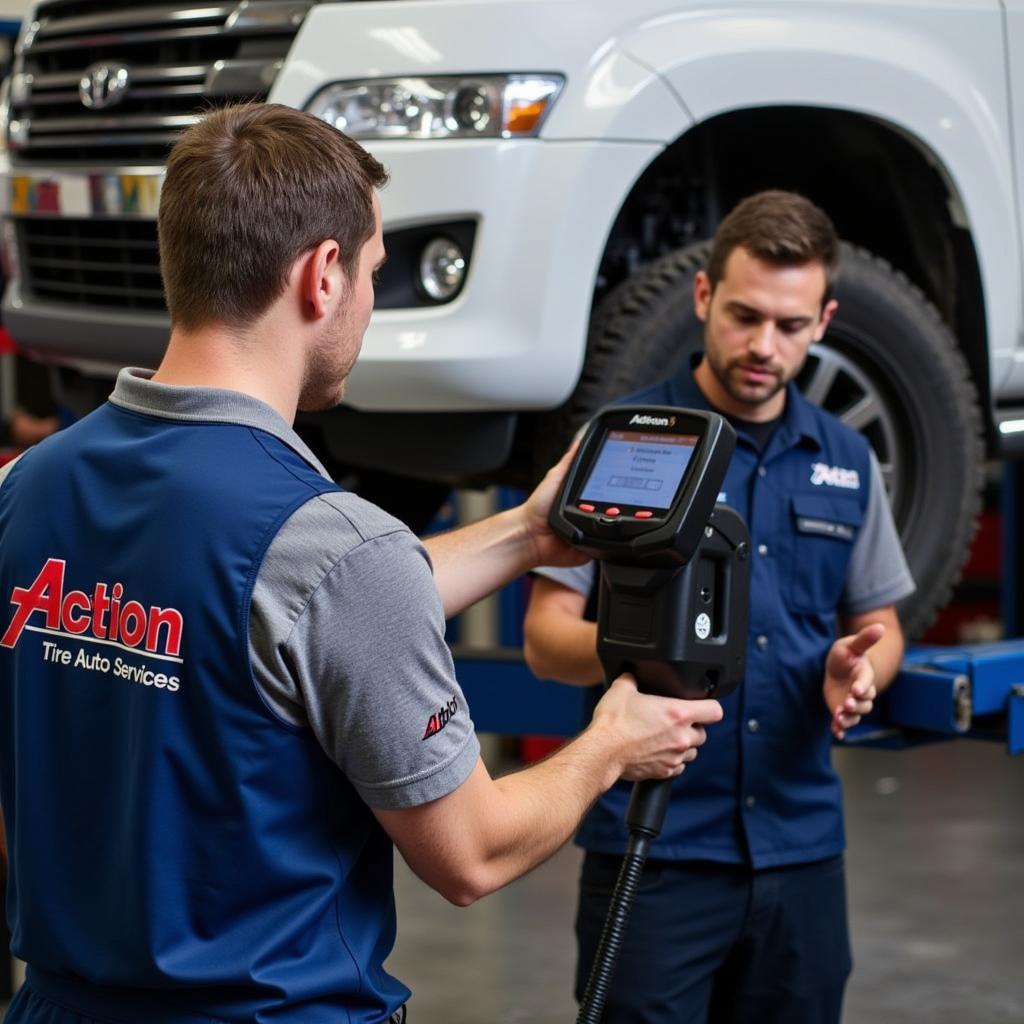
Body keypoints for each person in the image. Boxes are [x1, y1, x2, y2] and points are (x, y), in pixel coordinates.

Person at [0, 104, 725, 1024]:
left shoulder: (29, 489)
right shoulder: (332, 547)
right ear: (323, 274)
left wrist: (526, 538)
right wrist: (613, 743)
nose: (371, 305)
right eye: (376, 273)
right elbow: (472, 855)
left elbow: (282, 614)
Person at [523, 190, 915, 1024]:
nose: (764, 345)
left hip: (803, 853)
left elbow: (880, 628)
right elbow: (545, 638)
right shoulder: (624, 440)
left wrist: (861, 668)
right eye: (744, 316)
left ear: (824, 320)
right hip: (658, 850)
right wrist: (644, 646)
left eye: (792, 325)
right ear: (704, 297)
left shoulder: (847, 456)